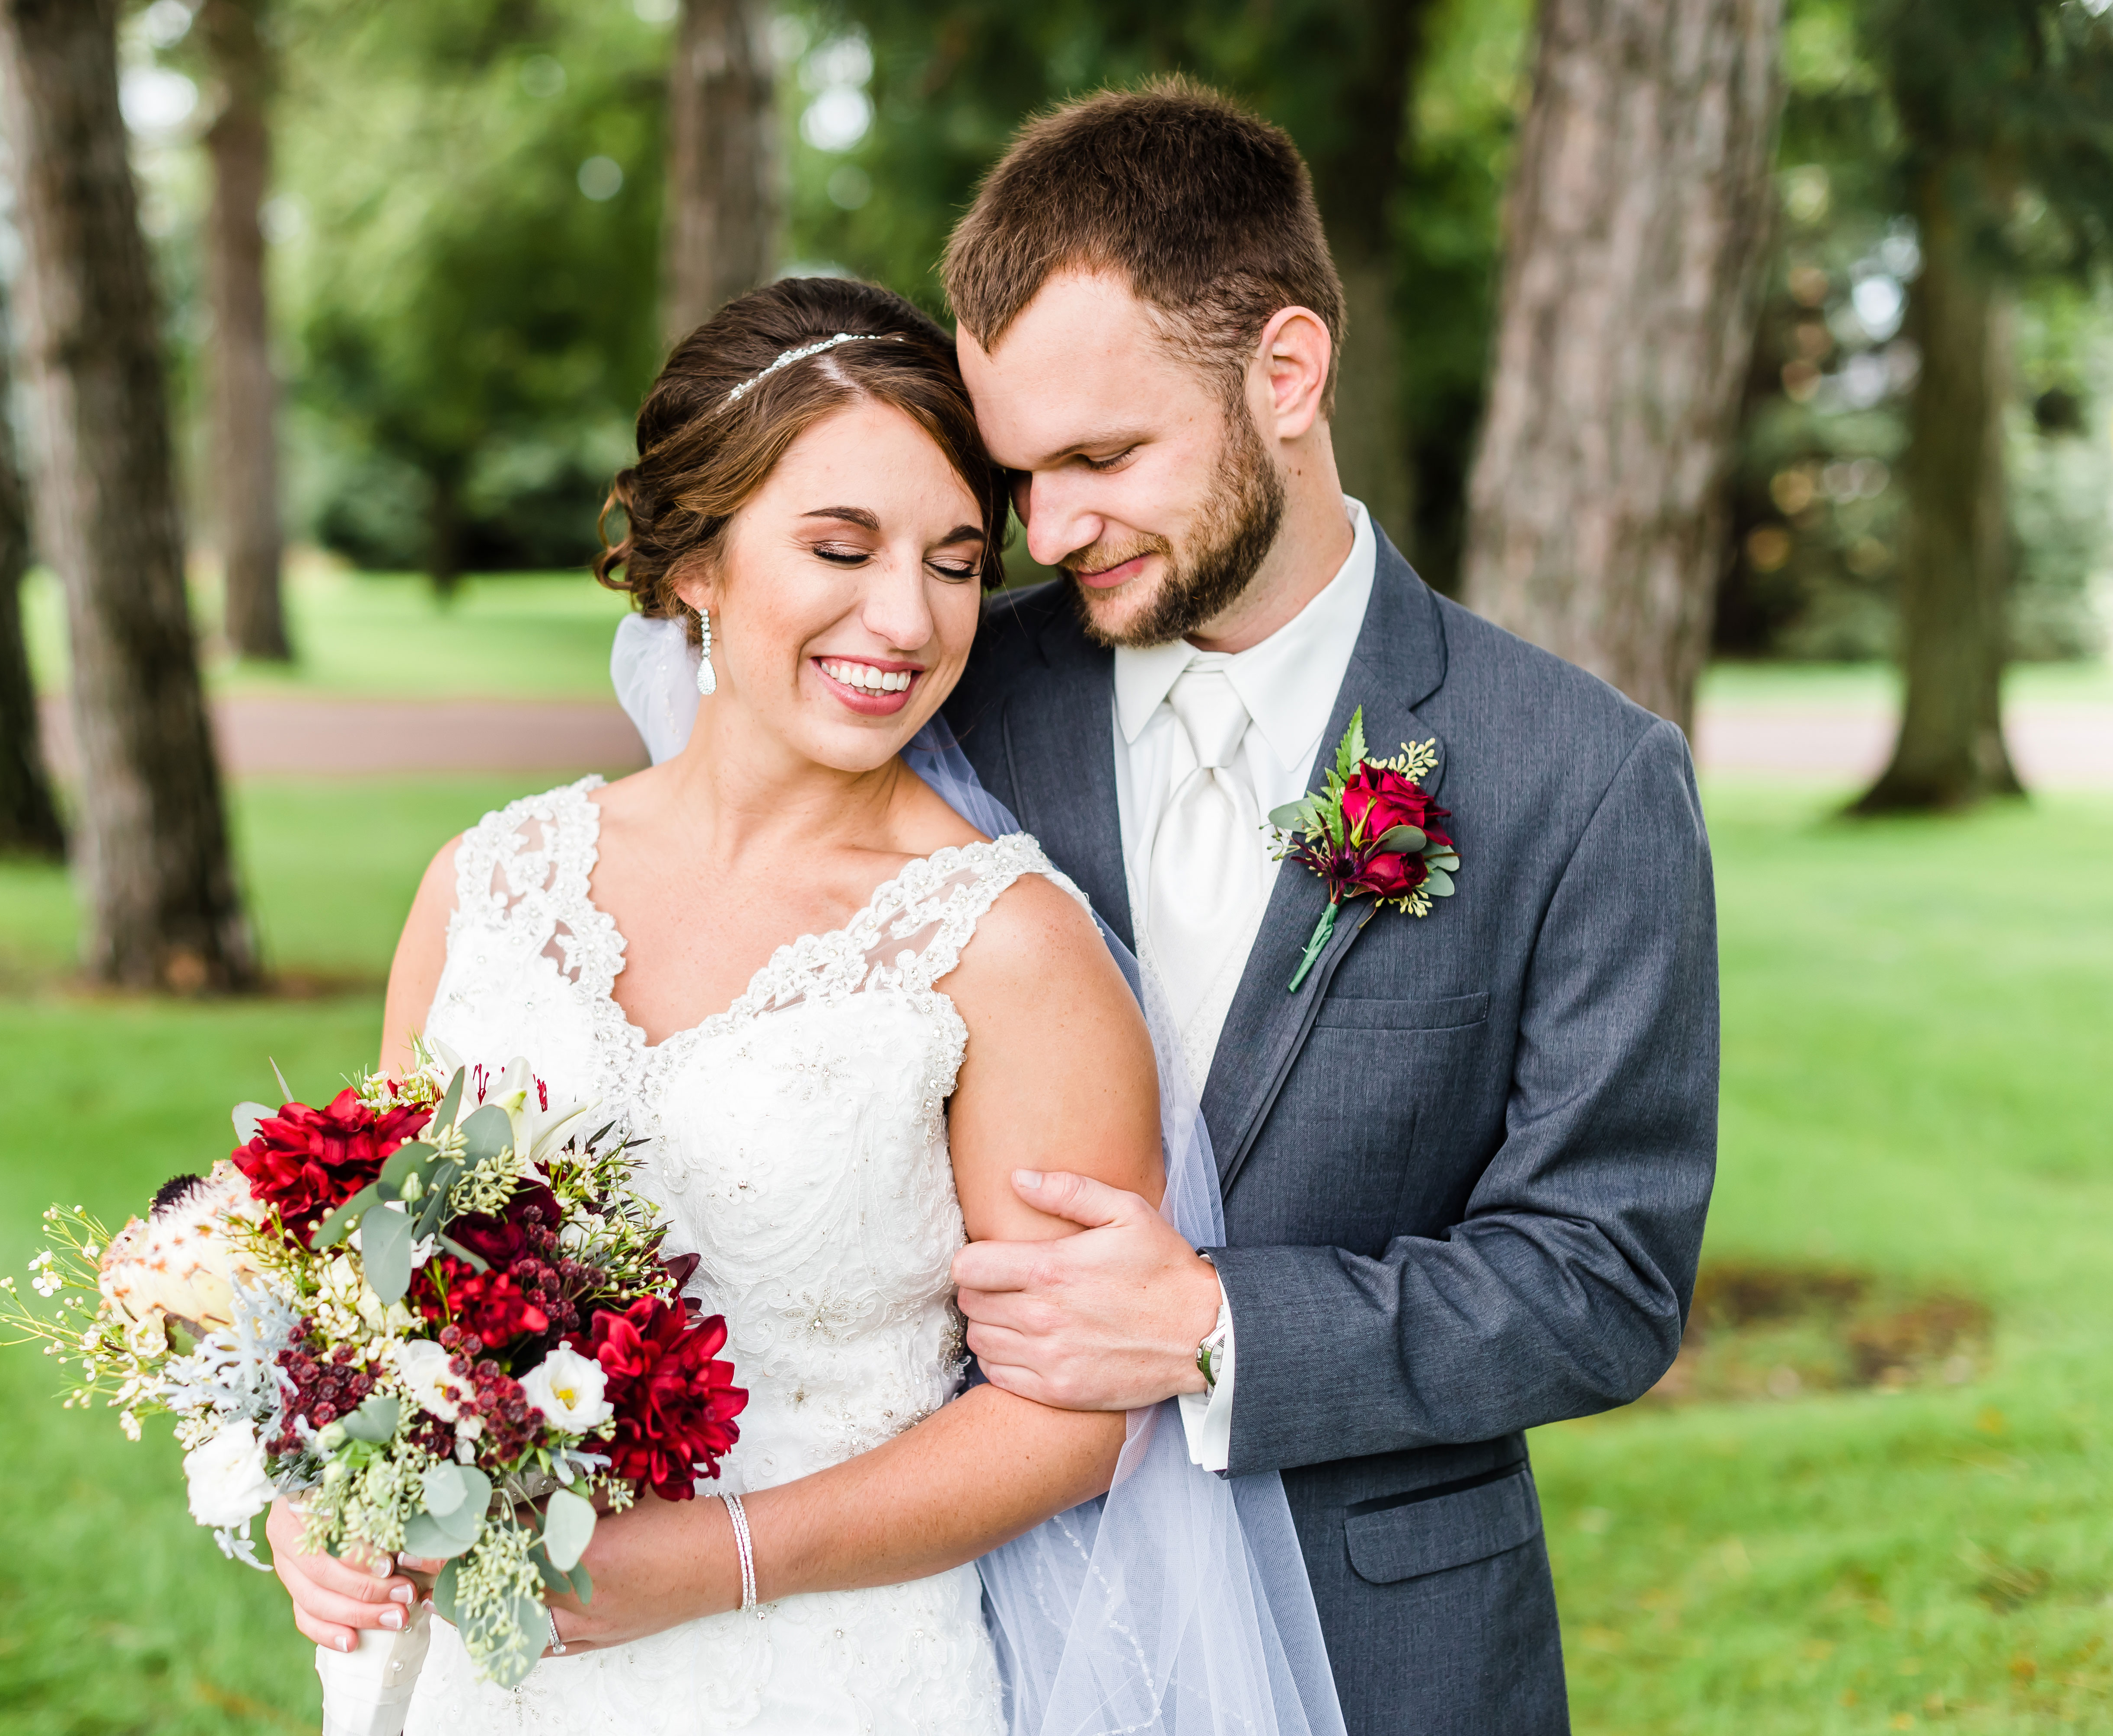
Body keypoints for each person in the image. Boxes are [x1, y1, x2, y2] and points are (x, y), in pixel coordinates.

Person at [269, 274, 1342, 1735]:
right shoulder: (486, 884)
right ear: (696, 562)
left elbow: (1081, 1415)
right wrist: (319, 1500)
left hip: (823, 1670)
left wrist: (720, 1562)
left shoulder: (1003, 947)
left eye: (957, 562)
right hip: (470, 1675)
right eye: (841, 546)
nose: (904, 618)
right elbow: (361, 1290)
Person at [934, 80, 1722, 1735]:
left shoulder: (1580, 777)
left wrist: (1216, 1327)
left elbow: (1606, 1279)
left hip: (1386, 1661)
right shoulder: (951, 713)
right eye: (1019, 474)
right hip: (970, 1629)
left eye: (1101, 455)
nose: (1047, 528)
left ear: (1285, 374)